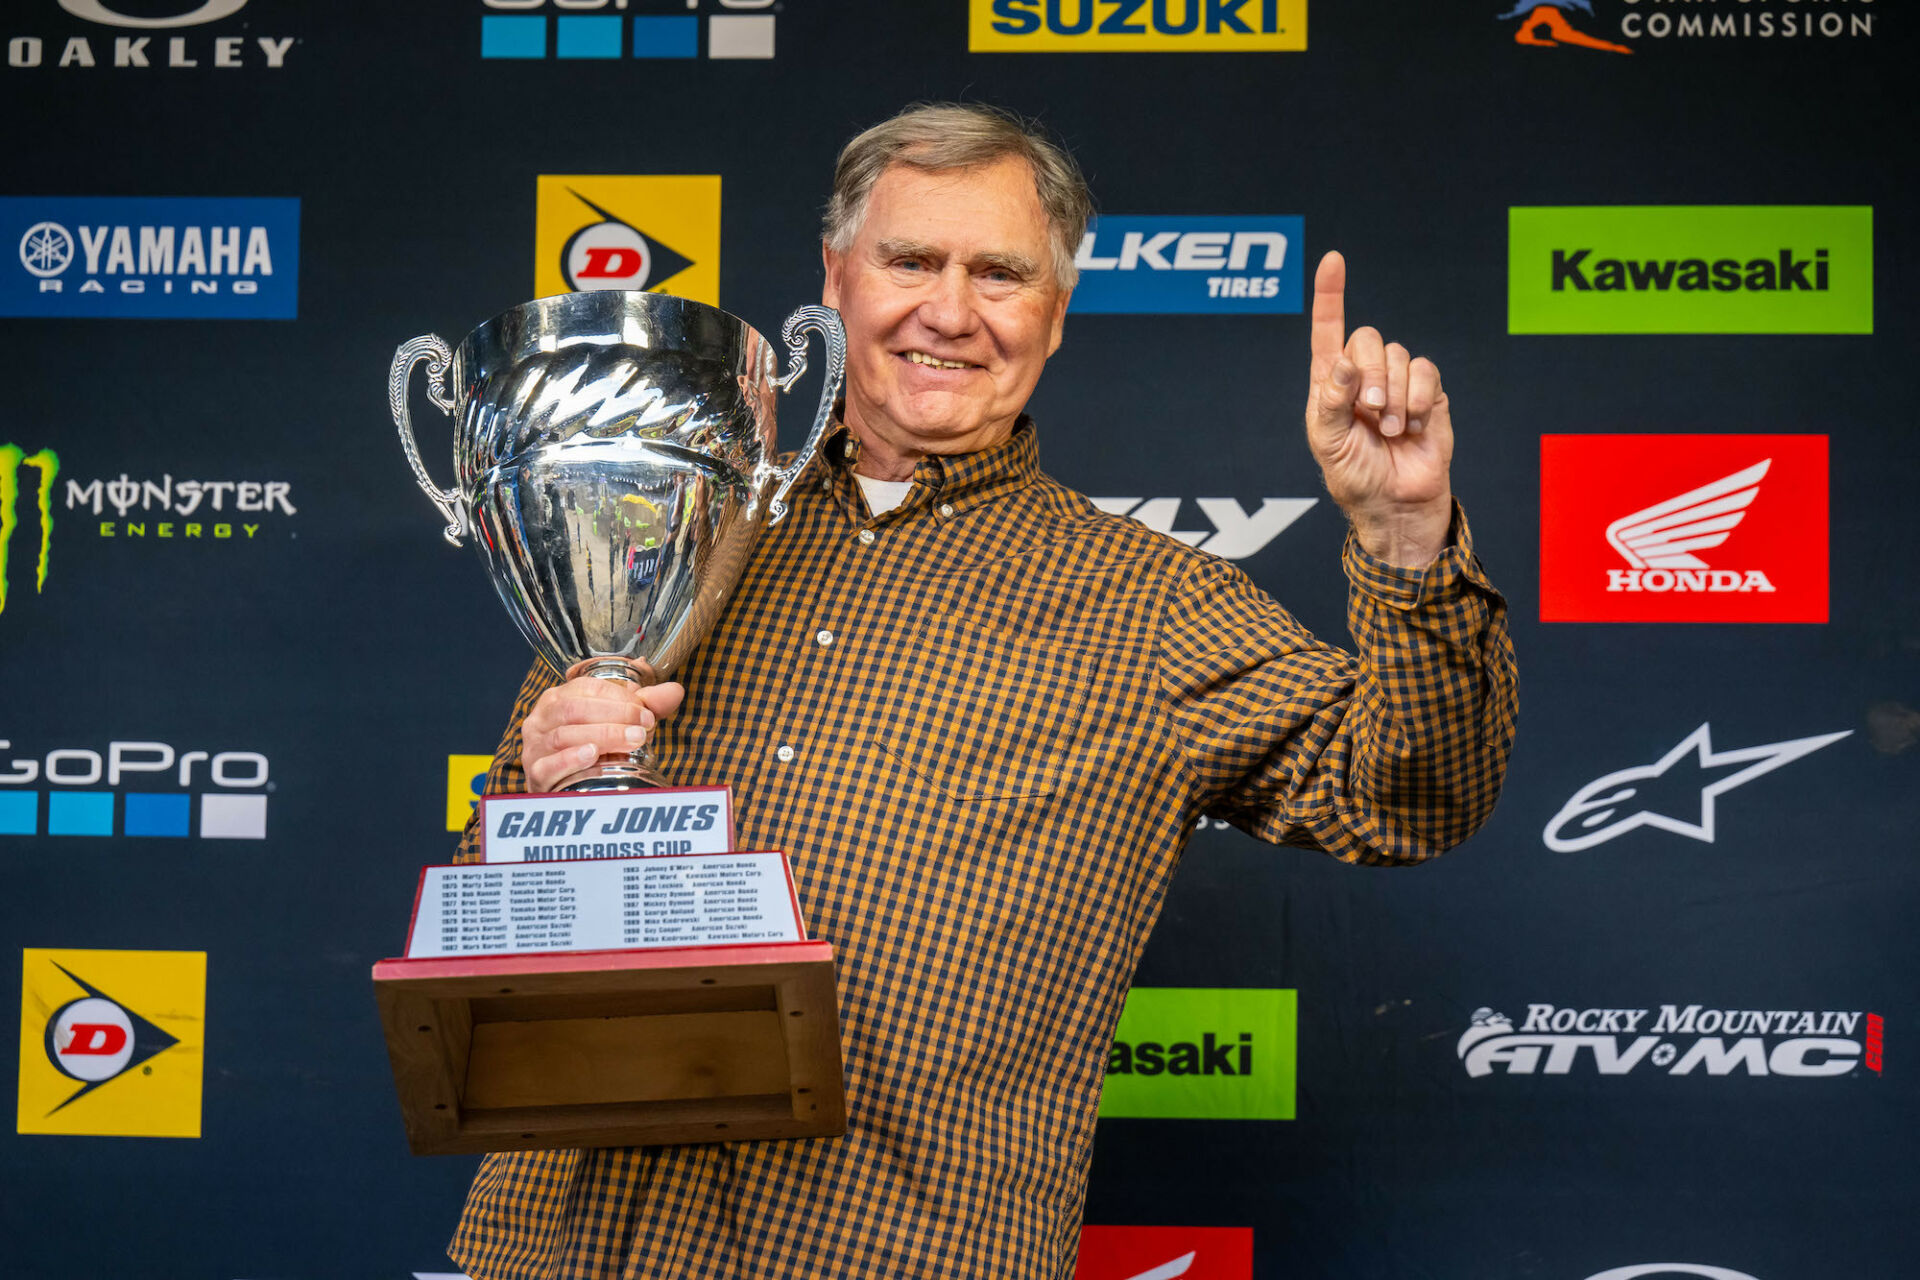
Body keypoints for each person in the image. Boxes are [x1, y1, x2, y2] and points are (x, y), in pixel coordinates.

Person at [448, 102, 1517, 1280]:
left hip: (893, 1253)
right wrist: (530, 794)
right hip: (567, 1248)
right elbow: (471, 926)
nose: (948, 311)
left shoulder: (1153, 603)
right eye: (911, 259)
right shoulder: (666, 538)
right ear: (836, 277)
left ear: (1055, 316)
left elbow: (1415, 794)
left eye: (999, 273)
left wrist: (1406, 537)